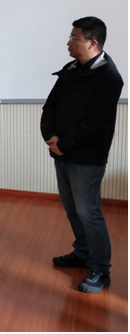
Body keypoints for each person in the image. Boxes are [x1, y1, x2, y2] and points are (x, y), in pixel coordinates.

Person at [41, 17, 123, 293]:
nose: (68, 43)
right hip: (61, 152)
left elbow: (96, 124)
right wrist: (51, 137)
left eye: (74, 38)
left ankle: (100, 269)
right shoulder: (72, 69)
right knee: (72, 208)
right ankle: (83, 252)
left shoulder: (109, 77)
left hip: (86, 158)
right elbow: (50, 107)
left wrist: (64, 144)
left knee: (89, 213)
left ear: (92, 43)